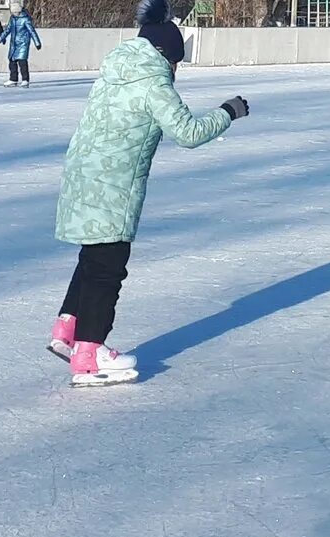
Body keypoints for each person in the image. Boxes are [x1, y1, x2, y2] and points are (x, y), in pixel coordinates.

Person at [46, 24, 251, 387]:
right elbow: (187, 133)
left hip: (82, 177)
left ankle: (68, 328)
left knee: (93, 255)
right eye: (177, 61)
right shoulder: (154, 83)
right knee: (108, 267)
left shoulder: (113, 72)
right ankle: (89, 355)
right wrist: (227, 112)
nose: (176, 70)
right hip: (113, 185)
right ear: (165, 55)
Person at [136, 0, 187, 71]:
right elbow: (179, 53)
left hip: (146, 71)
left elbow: (139, 49)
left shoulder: (145, 29)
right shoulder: (171, 28)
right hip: (165, 72)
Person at [4, 6, 42, 87]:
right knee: (12, 61)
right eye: (13, 12)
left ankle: (25, 80)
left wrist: (37, 43)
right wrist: (0, 38)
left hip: (23, 44)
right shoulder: (12, 19)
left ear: (19, 11)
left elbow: (32, 31)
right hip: (14, 44)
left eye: (15, 12)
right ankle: (13, 79)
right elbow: (8, 29)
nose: (14, 14)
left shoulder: (25, 19)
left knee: (22, 62)